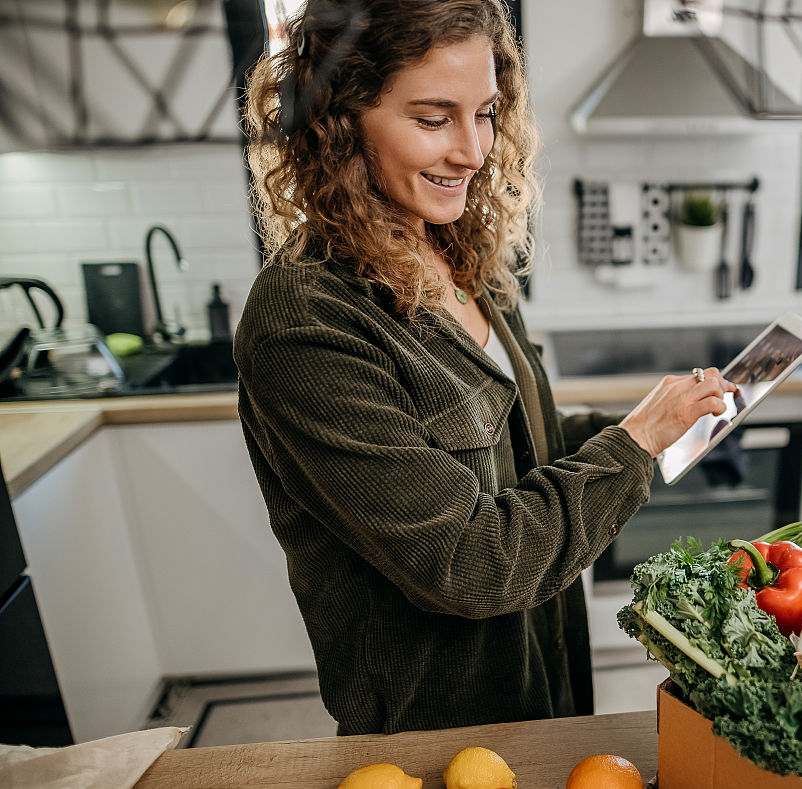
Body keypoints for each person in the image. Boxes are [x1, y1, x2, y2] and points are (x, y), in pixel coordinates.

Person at [235, 0, 736, 736]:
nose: (472, 152)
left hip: (546, 680)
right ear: (339, 120)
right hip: (441, 731)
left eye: (487, 113)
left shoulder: (457, 251)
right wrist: (634, 445)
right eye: (434, 119)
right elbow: (473, 562)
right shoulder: (305, 321)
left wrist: (664, 429)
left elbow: (517, 446)